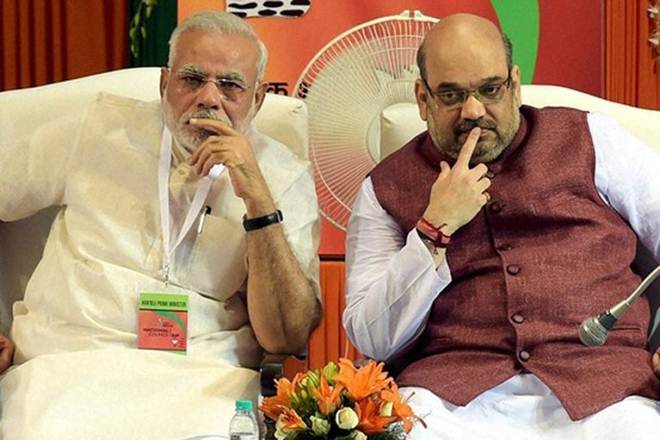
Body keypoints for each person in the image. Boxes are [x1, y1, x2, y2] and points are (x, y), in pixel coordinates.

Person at [0, 11, 320, 439]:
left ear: (258, 99)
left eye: (230, 85)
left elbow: (285, 337)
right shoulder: (96, 129)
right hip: (67, 364)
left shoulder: (282, 176)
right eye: (192, 79)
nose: (209, 98)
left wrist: (258, 201)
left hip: (205, 379)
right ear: (164, 84)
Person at [343, 13, 660, 439]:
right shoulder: (384, 188)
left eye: (490, 89)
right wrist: (433, 230)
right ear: (422, 98)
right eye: (451, 95)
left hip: (607, 392)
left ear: (514, 84)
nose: (473, 111)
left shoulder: (591, 139)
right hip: (449, 405)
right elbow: (373, 337)